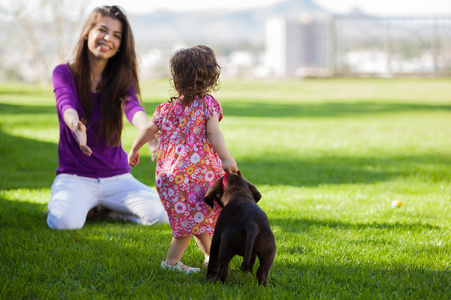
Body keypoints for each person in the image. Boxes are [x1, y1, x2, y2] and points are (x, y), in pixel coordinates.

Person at [46, 5, 169, 230]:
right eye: (102, 30)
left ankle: (110, 212)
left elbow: (132, 107)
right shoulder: (63, 72)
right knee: (63, 223)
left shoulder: (122, 78)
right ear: (88, 32)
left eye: (116, 35)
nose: (107, 38)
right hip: (75, 176)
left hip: (117, 178)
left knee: (162, 215)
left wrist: (148, 130)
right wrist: (76, 126)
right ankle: (75, 203)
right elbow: (66, 103)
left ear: (121, 44)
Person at [128, 45, 238, 273]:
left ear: (176, 78)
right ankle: (171, 263)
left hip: (169, 177)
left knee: (195, 217)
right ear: (210, 76)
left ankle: (210, 255)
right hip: (197, 176)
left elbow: (149, 129)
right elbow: (213, 133)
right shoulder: (208, 105)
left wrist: (134, 149)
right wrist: (226, 159)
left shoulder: (165, 109)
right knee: (189, 223)